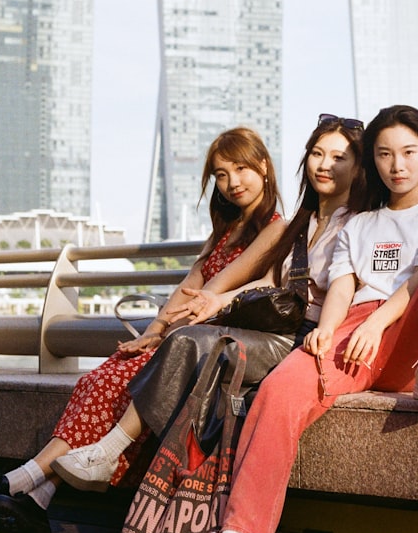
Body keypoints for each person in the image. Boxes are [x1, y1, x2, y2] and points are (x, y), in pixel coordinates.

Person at [0, 127, 283, 533]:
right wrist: (155, 331)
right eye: (221, 174)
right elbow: (188, 285)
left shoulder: (276, 228)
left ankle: (16, 482)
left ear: (265, 168)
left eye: (242, 169)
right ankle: (34, 500)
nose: (233, 182)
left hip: (211, 349)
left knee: (117, 384)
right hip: (183, 338)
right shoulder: (224, 231)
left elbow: (214, 290)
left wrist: (168, 333)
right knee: (99, 379)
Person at [205, 105, 418, 533]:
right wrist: (328, 328)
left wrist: (377, 323)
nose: (397, 165)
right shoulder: (359, 223)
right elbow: (341, 286)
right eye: (383, 154)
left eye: (408, 152)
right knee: (279, 390)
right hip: (356, 330)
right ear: (371, 162)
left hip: (412, 328)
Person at [46, 113, 365, 493]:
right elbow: (265, 284)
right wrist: (206, 306)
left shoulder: (353, 223)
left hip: (300, 337)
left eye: (338, 157)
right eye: (316, 153)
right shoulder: (302, 221)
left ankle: (95, 458)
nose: (324, 165)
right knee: (113, 373)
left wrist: (206, 307)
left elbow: (345, 287)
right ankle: (58, 478)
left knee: (176, 350)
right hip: (265, 329)